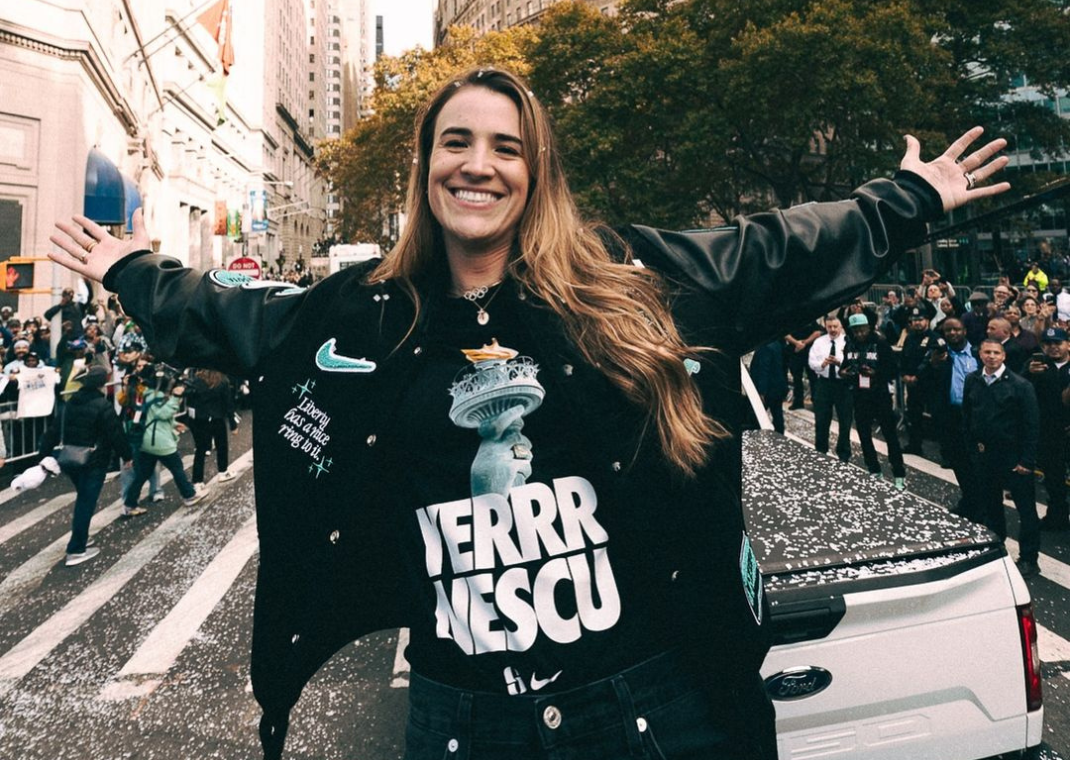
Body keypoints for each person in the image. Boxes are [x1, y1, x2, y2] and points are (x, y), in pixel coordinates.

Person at [49, 67, 1009, 760]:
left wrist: (905, 199)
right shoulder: (367, 312)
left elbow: (771, 251)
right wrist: (132, 269)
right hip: (459, 719)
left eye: (506, 148)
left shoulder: (626, 282)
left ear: (536, 171)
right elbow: (234, 317)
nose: (479, 166)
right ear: (426, 168)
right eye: (455, 143)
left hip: (649, 705)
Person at [38, 365, 133, 567]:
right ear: (102, 383)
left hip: (69, 460)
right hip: (94, 461)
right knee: (85, 503)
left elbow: (53, 431)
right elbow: (115, 432)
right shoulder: (103, 405)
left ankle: (82, 536)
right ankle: (76, 549)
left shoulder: (70, 404)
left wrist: (43, 456)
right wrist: (127, 455)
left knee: (83, 499)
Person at [963, 339, 1041, 578]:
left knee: (1026, 510)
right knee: (991, 506)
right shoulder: (972, 379)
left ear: (1004, 355)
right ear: (980, 353)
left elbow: (1031, 426)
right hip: (986, 456)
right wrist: (973, 452)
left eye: (996, 352)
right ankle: (996, 548)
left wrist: (1027, 461)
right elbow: (967, 416)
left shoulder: (1021, 385)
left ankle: (1029, 558)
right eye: (987, 352)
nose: (992, 356)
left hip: (1014, 457)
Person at [120, 371, 204, 518]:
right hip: (159, 441)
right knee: (177, 468)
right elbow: (163, 413)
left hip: (147, 441)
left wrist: (174, 424)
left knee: (142, 474)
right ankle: (189, 495)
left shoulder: (146, 393)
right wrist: (176, 397)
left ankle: (129, 504)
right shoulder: (156, 396)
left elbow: (155, 416)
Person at [840, 312, 908, 489]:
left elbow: (893, 370)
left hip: (880, 395)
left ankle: (899, 473)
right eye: (856, 331)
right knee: (863, 434)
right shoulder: (849, 345)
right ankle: (873, 469)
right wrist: (844, 373)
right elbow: (844, 367)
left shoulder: (880, 344)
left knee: (890, 434)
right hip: (859, 395)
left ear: (869, 328)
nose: (859, 334)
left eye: (862, 330)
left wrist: (876, 374)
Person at [926, 317, 980, 518]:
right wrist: (933, 364)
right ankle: (969, 499)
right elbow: (923, 379)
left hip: (975, 416)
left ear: (964, 330)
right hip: (950, 417)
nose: (952, 334)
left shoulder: (977, 353)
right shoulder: (939, 354)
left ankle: (981, 503)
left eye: (956, 329)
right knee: (958, 461)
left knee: (977, 462)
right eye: (948, 331)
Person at [1025, 327, 1070, 532]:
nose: (1053, 348)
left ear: (1067, 344)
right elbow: (1018, 386)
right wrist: (1029, 373)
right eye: (1048, 344)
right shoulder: (1037, 365)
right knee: (1053, 479)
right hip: (1049, 432)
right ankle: (1057, 516)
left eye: (1058, 343)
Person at [807, 314, 853, 462]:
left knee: (845, 420)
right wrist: (823, 364)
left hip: (843, 384)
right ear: (825, 326)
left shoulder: (848, 342)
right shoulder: (819, 342)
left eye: (835, 326)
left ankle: (844, 453)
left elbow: (853, 363)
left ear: (841, 327)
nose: (832, 330)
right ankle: (821, 450)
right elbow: (811, 362)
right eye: (829, 327)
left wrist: (840, 363)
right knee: (821, 419)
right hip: (824, 383)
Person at [183, 368, 239, 488]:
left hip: (199, 420)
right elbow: (228, 404)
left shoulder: (196, 380)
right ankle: (223, 472)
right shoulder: (222, 381)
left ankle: (197, 481)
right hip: (217, 418)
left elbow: (190, 402)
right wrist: (233, 425)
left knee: (200, 450)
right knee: (221, 446)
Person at [898, 306, 938, 454]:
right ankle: (915, 444)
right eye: (914, 320)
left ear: (927, 320)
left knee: (937, 416)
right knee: (914, 415)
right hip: (912, 384)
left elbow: (929, 360)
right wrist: (904, 375)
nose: (917, 323)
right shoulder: (910, 338)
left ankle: (947, 453)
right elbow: (903, 359)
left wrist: (917, 376)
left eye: (920, 320)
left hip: (929, 383)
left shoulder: (934, 338)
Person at [748, 339, 788, 434]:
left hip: (768, 389)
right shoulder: (777, 344)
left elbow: (763, 370)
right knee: (777, 415)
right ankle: (779, 436)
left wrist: (762, 392)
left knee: (755, 417)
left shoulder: (765, 347)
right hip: (778, 386)